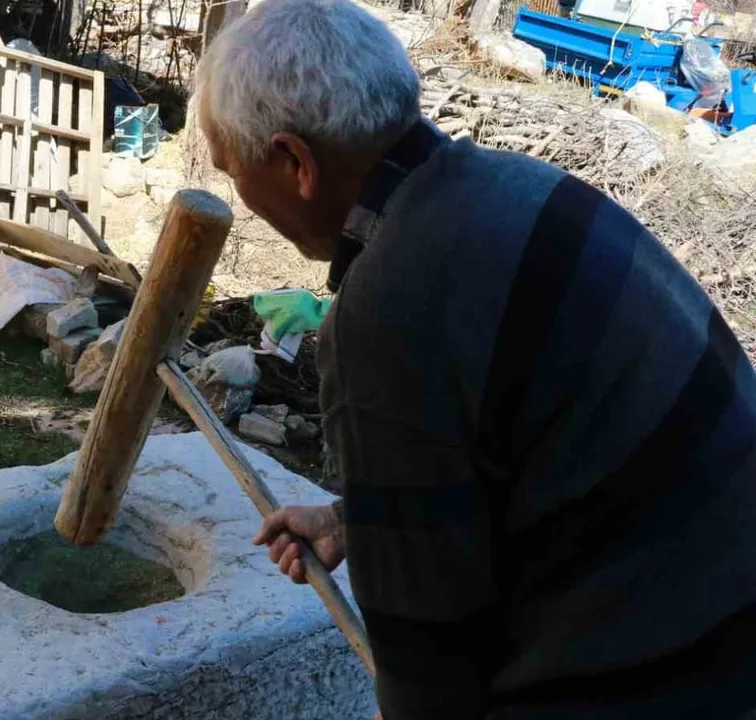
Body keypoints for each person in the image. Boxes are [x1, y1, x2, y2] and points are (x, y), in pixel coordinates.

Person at [193, 0, 756, 717]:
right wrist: (357, 521)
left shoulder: (389, 307)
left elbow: (428, 665)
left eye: (234, 171)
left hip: (675, 678)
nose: (241, 198)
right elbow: (543, 450)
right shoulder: (520, 189)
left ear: (293, 162)